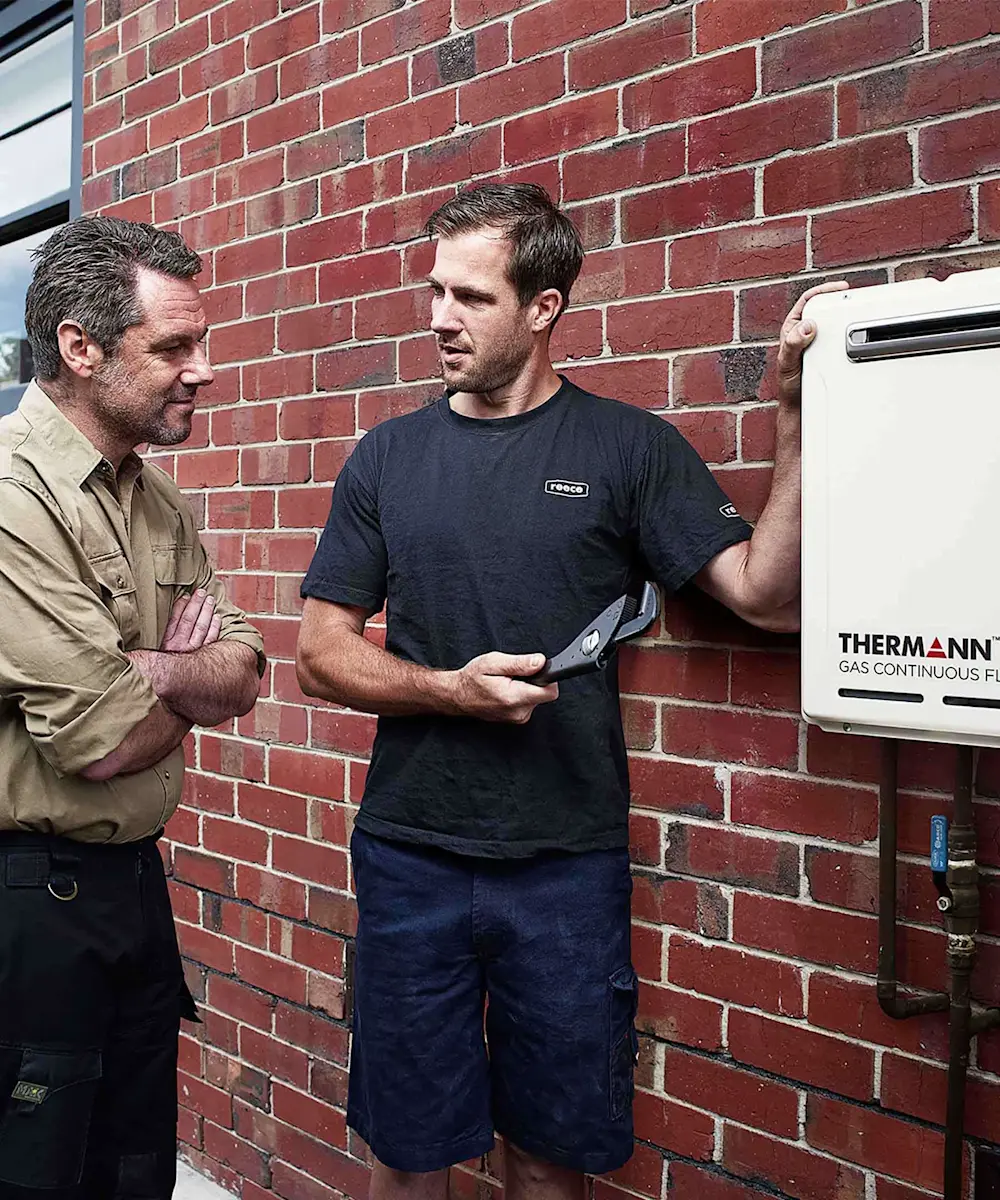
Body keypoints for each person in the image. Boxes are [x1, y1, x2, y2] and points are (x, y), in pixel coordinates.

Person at [296, 183, 844, 1200]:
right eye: (433, 292)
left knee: (551, 1155)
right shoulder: (388, 458)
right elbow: (320, 652)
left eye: (470, 298)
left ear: (544, 307)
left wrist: (791, 412)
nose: (439, 318)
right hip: (411, 853)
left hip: (566, 865)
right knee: (409, 1149)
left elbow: (766, 601)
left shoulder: (626, 450)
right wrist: (447, 692)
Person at [0, 217, 265, 1200]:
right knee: (38, 1171)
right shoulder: (10, 494)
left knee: (133, 1164)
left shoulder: (156, 501)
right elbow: (100, 740)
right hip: (28, 903)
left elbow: (246, 668)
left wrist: (153, 670)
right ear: (81, 347)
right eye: (173, 347)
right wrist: (183, 666)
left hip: (132, 889)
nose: (202, 370)